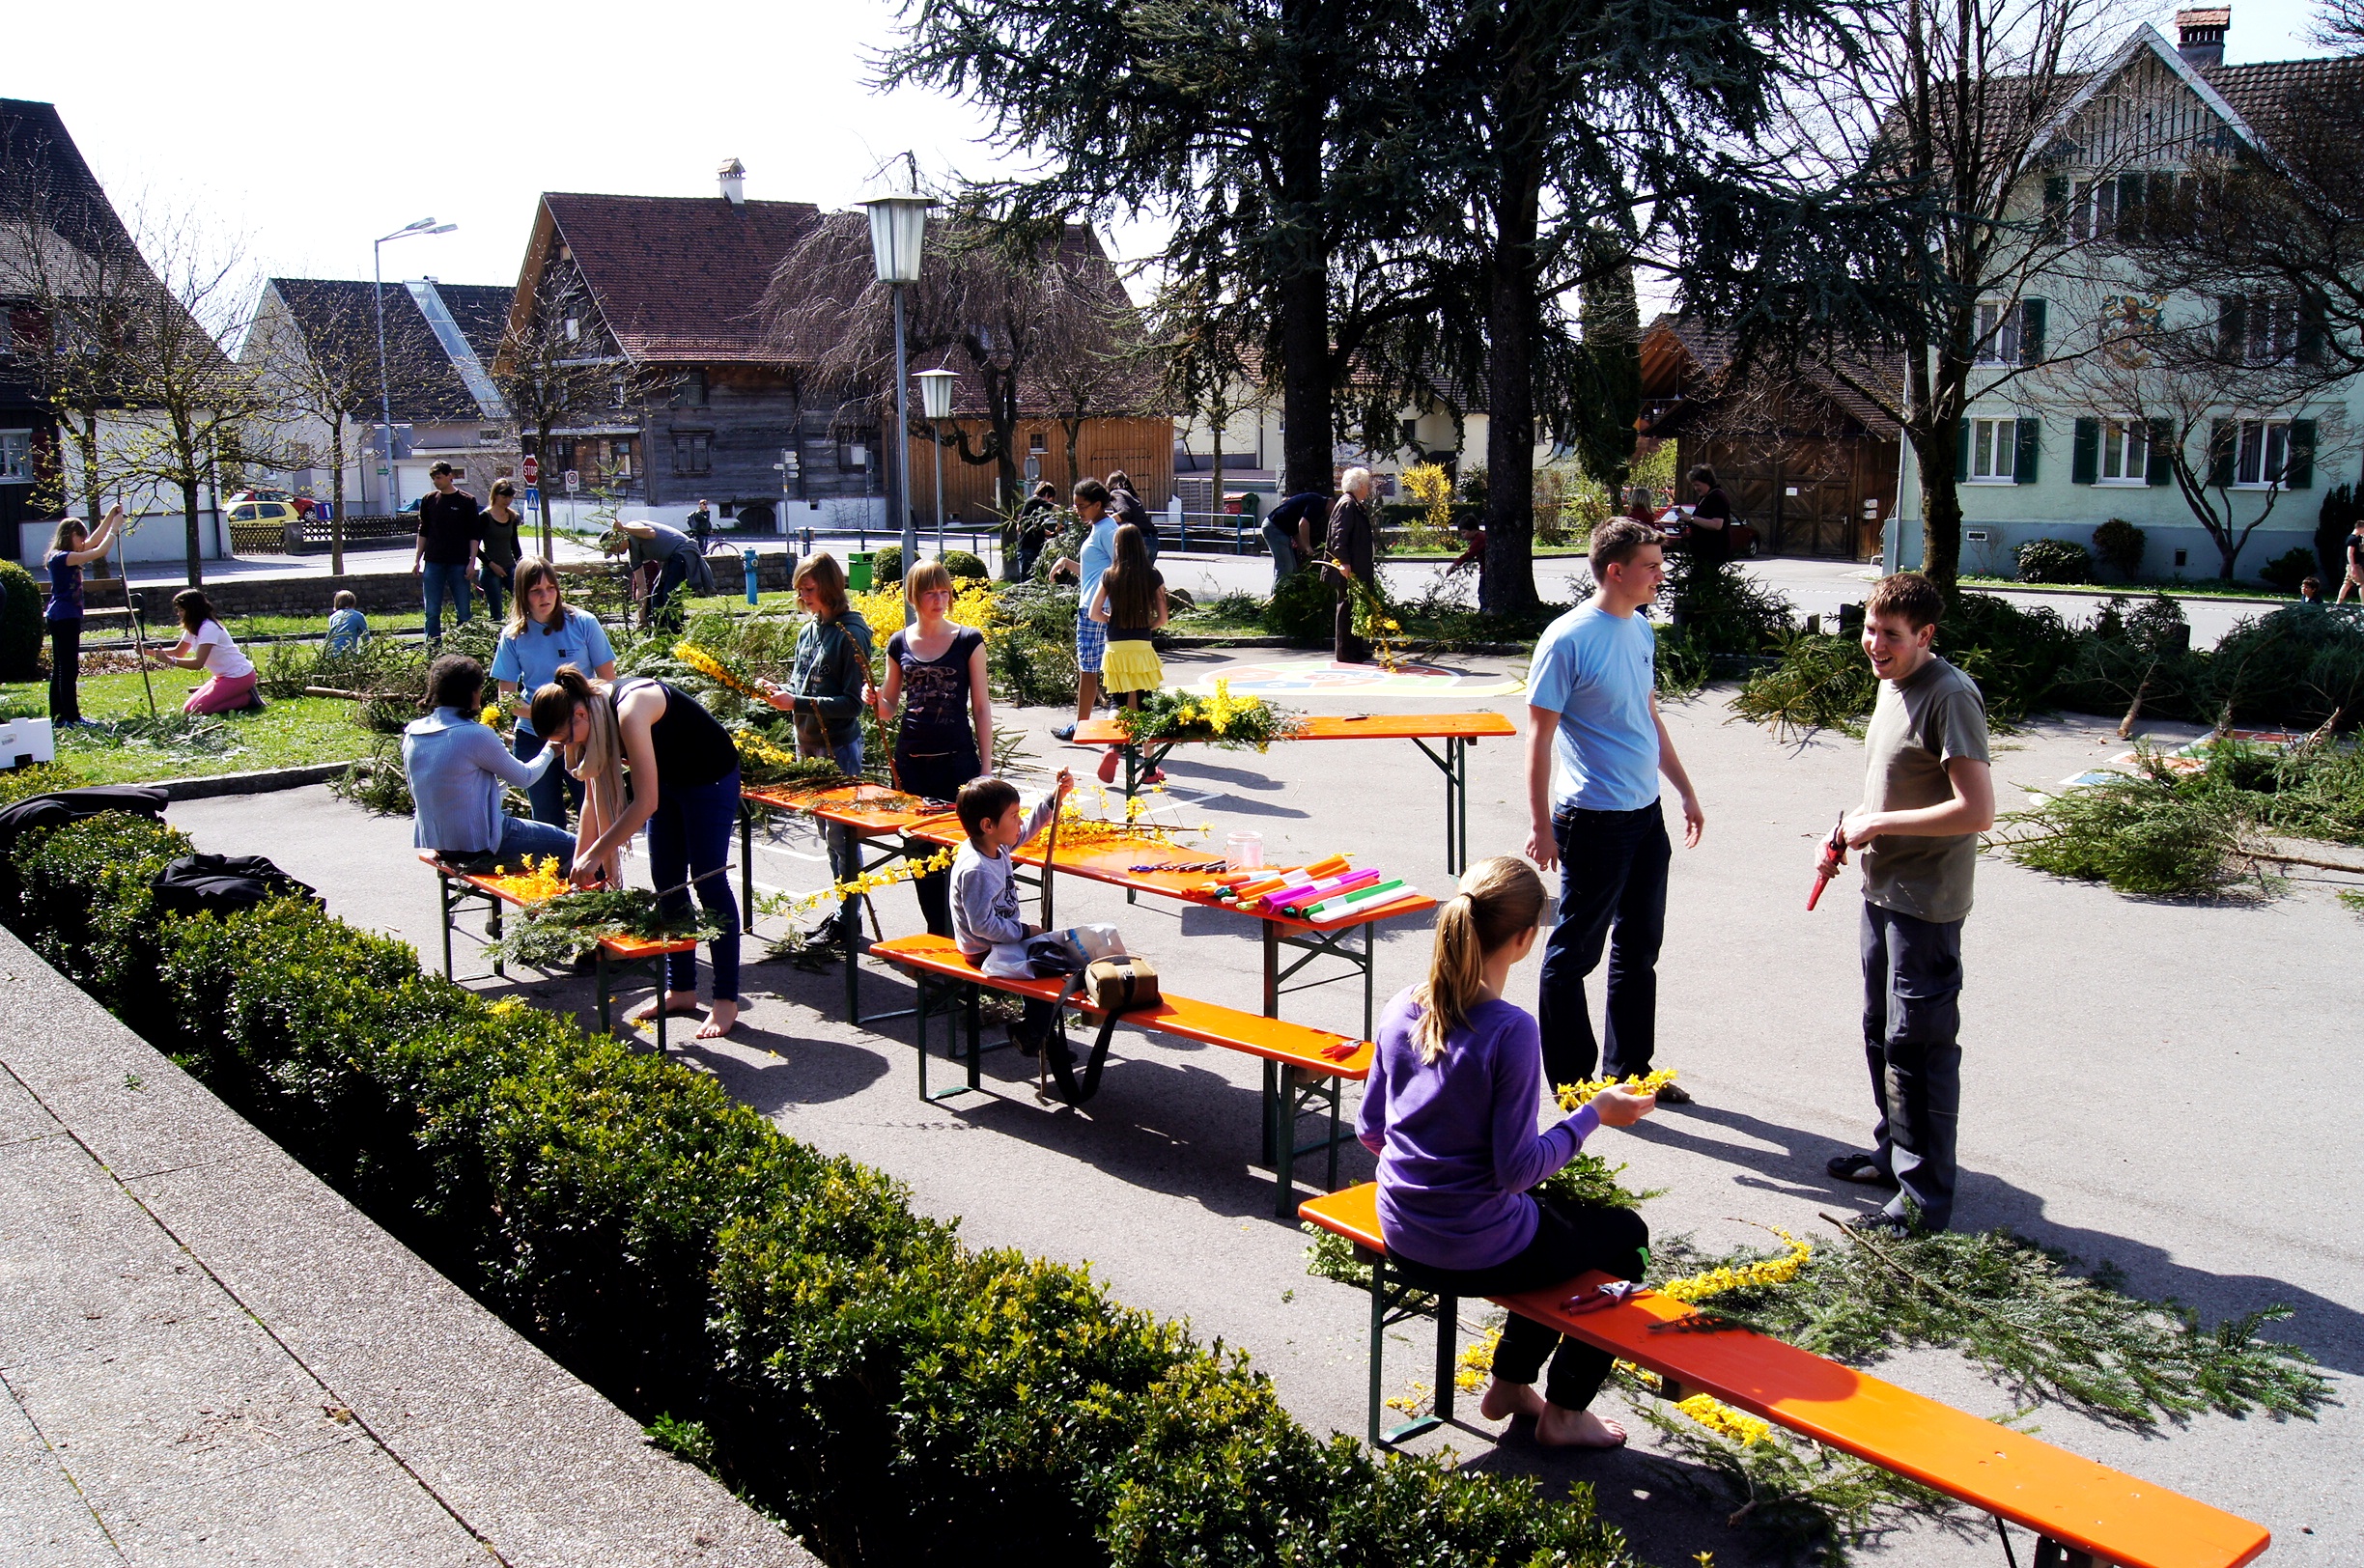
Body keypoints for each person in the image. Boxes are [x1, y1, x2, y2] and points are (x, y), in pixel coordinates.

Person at [1357, 855, 1660, 1447]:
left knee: (1553, 1225)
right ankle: (1564, 1410)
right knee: (1625, 1237)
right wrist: (1595, 1113)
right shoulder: (1510, 1030)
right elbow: (1517, 1171)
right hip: (1473, 1250)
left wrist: (1433, 1175)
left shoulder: (1400, 1007)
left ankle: (1513, 1386)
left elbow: (1371, 1130)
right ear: (1524, 939)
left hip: (1402, 1233)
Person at [1818, 572, 1993, 1236]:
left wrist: (1879, 825)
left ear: (1926, 635)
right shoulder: (1891, 683)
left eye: (1890, 634)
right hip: (1881, 888)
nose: (1874, 644)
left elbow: (1976, 811)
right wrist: (1845, 831)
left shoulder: (1949, 695)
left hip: (1926, 904)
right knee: (1879, 1030)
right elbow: (1894, 786)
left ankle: (1923, 1200)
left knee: (1917, 1046)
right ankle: (1893, 1156)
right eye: (1869, 629)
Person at [1526, 518, 1703, 1099]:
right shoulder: (1568, 639)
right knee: (1574, 954)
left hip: (1645, 815)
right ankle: (1574, 1086)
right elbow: (1538, 739)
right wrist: (1541, 826)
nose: (1661, 575)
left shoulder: (1641, 629)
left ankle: (1629, 1071)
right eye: (1651, 566)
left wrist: (1684, 790)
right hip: (1593, 819)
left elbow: (1647, 718)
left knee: (1639, 948)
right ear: (1615, 571)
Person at [531, 665, 745, 1039]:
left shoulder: (630, 710)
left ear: (580, 714)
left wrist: (596, 854)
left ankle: (726, 999)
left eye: (565, 739)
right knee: (667, 882)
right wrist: (580, 864)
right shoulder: (592, 718)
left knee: (708, 880)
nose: (568, 748)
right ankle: (682, 989)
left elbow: (645, 803)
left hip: (709, 777)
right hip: (670, 780)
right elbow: (592, 799)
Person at [873, 559, 993, 937]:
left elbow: (981, 707)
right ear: (914, 596)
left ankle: (967, 937)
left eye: (945, 592)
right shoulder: (898, 643)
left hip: (958, 763)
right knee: (921, 858)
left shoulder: (969, 640)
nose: (940, 600)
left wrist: (986, 770)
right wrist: (872, 697)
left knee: (963, 854)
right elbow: (888, 709)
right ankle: (936, 935)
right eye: (931, 593)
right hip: (912, 766)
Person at [757, 553, 875, 886]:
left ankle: (848, 909)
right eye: (799, 589)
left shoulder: (851, 634)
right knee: (825, 833)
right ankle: (843, 902)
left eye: (809, 589)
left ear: (829, 587)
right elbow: (800, 687)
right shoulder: (809, 630)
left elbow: (853, 704)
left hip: (838, 748)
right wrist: (776, 691)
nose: (803, 596)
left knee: (841, 836)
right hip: (806, 743)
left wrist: (796, 701)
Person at [402, 655, 575, 872]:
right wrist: (549, 751)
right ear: (471, 693)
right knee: (577, 846)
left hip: (439, 843)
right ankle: (575, 893)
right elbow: (525, 778)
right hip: (481, 843)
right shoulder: (475, 734)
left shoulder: (413, 731)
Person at [951, 770, 1076, 1056]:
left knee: (1052, 955)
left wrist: (1055, 798)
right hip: (983, 948)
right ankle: (1034, 1034)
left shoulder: (995, 845)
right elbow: (981, 926)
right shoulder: (977, 868)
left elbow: (1028, 829)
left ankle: (1041, 1034)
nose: (1020, 821)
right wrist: (1025, 931)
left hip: (999, 941)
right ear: (988, 825)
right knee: (1046, 965)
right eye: (1014, 815)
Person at [490, 558, 617, 826]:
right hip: (534, 736)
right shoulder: (512, 636)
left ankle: (595, 858)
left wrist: (575, 718)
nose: (545, 597)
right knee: (547, 823)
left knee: (594, 816)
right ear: (522, 594)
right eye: (536, 591)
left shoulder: (583, 622)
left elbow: (608, 683)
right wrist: (549, 717)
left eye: (550, 588)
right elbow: (507, 699)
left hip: (583, 734)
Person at [1087, 522, 1168, 785]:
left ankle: (1112, 747)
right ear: (1140, 546)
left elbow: (1094, 612)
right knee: (1146, 704)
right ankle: (1149, 769)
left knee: (1118, 702)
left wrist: (1111, 619)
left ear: (1118, 546)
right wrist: (1146, 626)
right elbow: (1163, 617)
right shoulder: (1152, 575)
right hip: (1141, 645)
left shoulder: (1110, 575)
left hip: (1116, 646)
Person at [1049, 479, 1120, 742]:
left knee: (1089, 668)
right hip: (1094, 605)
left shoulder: (1107, 530)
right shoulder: (1099, 528)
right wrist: (1067, 563)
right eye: (1075, 505)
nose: (1077, 510)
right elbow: (1095, 573)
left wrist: (1110, 604)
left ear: (1098, 504)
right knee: (1090, 667)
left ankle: (1083, 729)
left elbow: (1121, 568)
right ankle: (1086, 727)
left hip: (1096, 608)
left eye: (1082, 506)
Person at [42, 507, 124, 727]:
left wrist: (110, 516)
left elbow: (95, 541)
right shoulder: (64, 557)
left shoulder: (63, 555)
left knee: (61, 668)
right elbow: (99, 551)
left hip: (60, 615)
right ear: (71, 535)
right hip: (65, 617)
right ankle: (71, 717)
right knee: (69, 669)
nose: (83, 542)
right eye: (80, 538)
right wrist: (115, 530)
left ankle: (58, 717)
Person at [152, 589, 262, 714]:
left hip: (239, 675)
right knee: (188, 709)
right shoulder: (193, 627)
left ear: (192, 610)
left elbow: (198, 664)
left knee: (199, 710)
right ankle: (235, 696)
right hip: (221, 676)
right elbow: (178, 652)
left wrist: (170, 661)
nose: (178, 614)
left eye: (181, 610)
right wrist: (145, 651)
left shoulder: (209, 628)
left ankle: (248, 699)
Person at [409, 461, 482, 643]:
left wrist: (472, 562)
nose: (436, 481)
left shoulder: (467, 501)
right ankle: (433, 646)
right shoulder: (429, 500)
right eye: (433, 478)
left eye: (439, 477)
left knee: (463, 610)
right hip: (434, 561)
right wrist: (417, 560)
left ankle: (463, 644)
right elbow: (423, 531)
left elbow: (474, 534)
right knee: (432, 610)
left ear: (450, 476)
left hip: (459, 562)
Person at [607, 518, 707, 630]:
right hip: (672, 558)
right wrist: (641, 618)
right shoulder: (634, 557)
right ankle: (661, 633)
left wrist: (623, 528)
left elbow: (651, 533)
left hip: (684, 551)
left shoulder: (633, 526)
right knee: (656, 596)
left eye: (611, 549)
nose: (615, 553)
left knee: (670, 595)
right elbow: (641, 586)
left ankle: (677, 631)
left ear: (615, 539)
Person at [1322, 467, 1378, 664]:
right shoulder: (1346, 505)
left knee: (1356, 608)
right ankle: (1345, 652)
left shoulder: (1354, 504)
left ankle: (1356, 649)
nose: (1368, 489)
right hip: (1348, 568)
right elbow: (1339, 536)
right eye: (1367, 485)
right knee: (1346, 608)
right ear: (1360, 485)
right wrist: (1344, 562)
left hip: (1358, 567)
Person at [477, 479, 525, 622]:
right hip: (490, 569)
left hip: (510, 567)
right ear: (495, 495)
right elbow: (475, 547)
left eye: (510, 497)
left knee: (524, 603)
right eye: (504, 497)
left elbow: (514, 544)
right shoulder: (484, 517)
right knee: (496, 612)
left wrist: (521, 565)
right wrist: (491, 564)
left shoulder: (512, 517)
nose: (507, 501)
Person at [1261, 490, 1329, 586]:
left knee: (1292, 569)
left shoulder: (1315, 503)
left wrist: (1306, 550)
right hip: (1274, 528)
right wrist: (1308, 546)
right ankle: (1278, 595)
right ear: (1334, 503)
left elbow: (1296, 531)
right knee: (1285, 569)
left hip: (1280, 529)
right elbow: (1303, 524)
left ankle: (1284, 593)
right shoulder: (1318, 503)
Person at [1684, 465, 1733, 564]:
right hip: (1702, 551)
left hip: (1713, 551)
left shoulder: (1717, 497)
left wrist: (1692, 518)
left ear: (1707, 482)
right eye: (1694, 485)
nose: (1695, 488)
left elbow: (1717, 525)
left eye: (1697, 485)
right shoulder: (1706, 497)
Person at [1108, 469, 1158, 562]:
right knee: (1145, 571)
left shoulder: (1116, 493)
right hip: (1152, 538)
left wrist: (1106, 520)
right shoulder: (1133, 496)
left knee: (1132, 570)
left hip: (1138, 539)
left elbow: (1124, 512)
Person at [1016, 480, 1059, 579]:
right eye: (1050, 500)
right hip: (1029, 549)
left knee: (1029, 580)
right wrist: (1059, 525)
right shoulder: (1036, 501)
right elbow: (1058, 509)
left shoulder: (1031, 504)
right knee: (1028, 582)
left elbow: (1019, 527)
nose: (1049, 503)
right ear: (1047, 494)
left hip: (1026, 548)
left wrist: (1043, 532)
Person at [325, 590, 369, 655]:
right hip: (349, 653)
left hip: (332, 652)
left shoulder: (333, 616)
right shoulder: (358, 616)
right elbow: (366, 636)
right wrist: (364, 653)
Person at [2340, 518, 2364, 604]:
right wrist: (2353, 567)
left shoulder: (2354, 538)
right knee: (2362, 583)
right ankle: (2363, 604)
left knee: (2347, 583)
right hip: (2354, 565)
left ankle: (2338, 603)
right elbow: (2350, 553)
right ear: (2361, 528)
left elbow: (2361, 550)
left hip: (2351, 565)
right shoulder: (2353, 539)